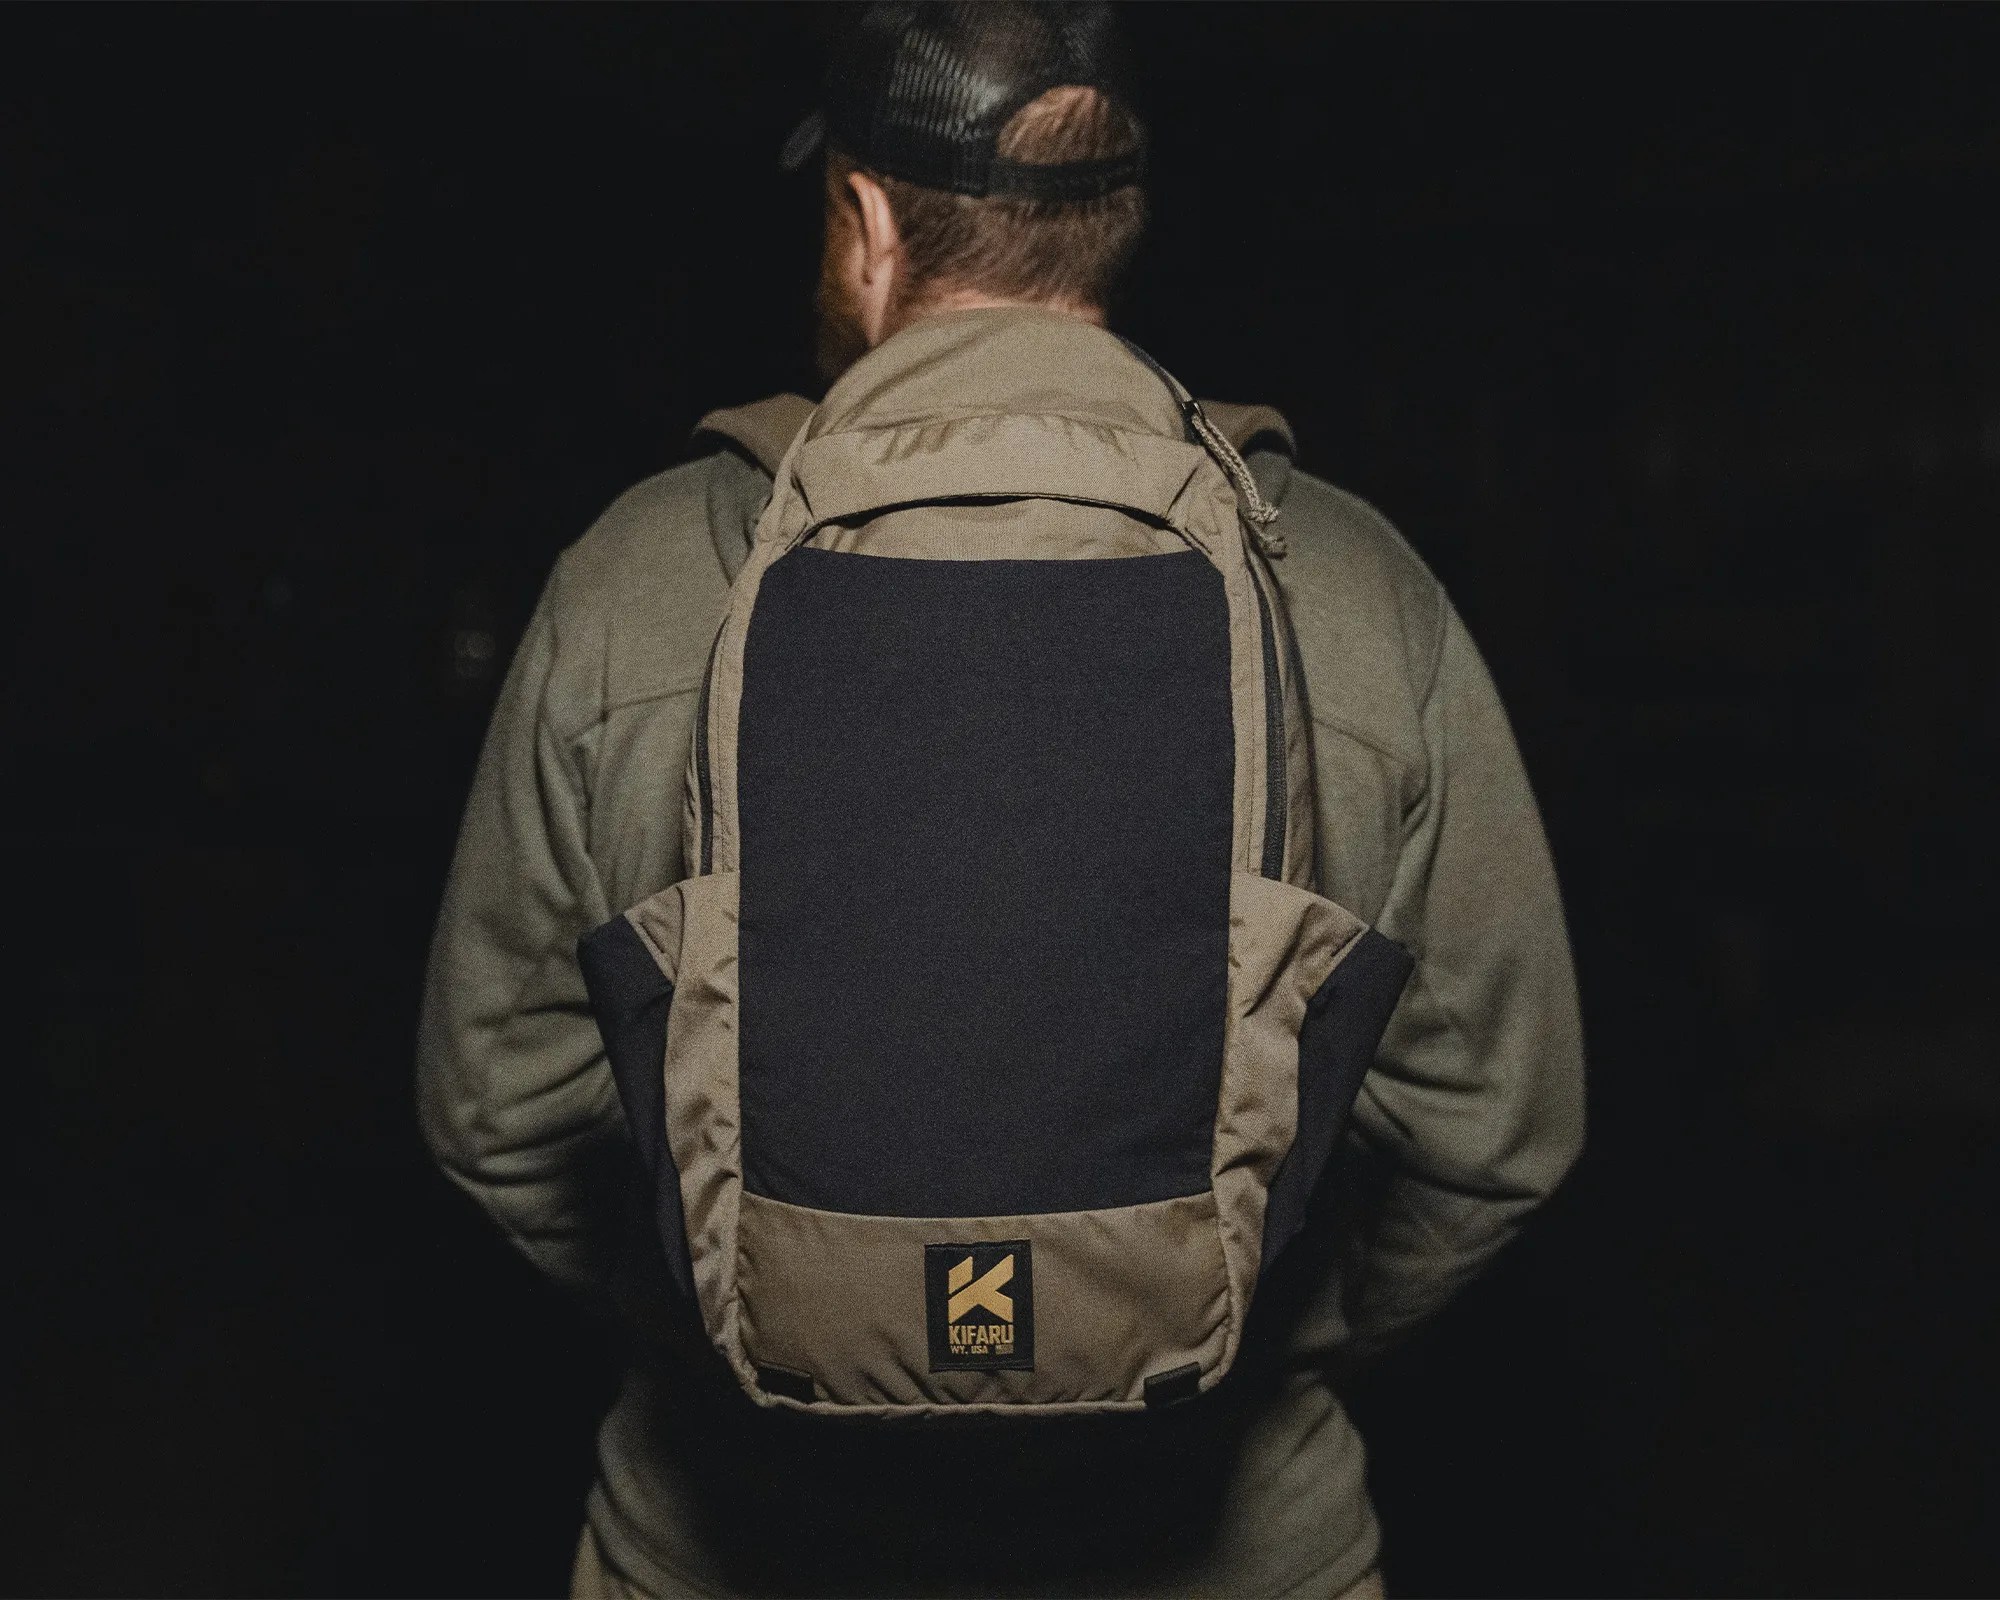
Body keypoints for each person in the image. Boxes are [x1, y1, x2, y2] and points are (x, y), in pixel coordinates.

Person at [417, 4, 1585, 1595]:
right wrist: (1236, 1316)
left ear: (868, 221)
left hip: (733, 1544)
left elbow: (496, 1104)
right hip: (1234, 1553)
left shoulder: (633, 584)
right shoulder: (1361, 594)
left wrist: (733, 1293)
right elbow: (1498, 1132)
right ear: (1115, 222)